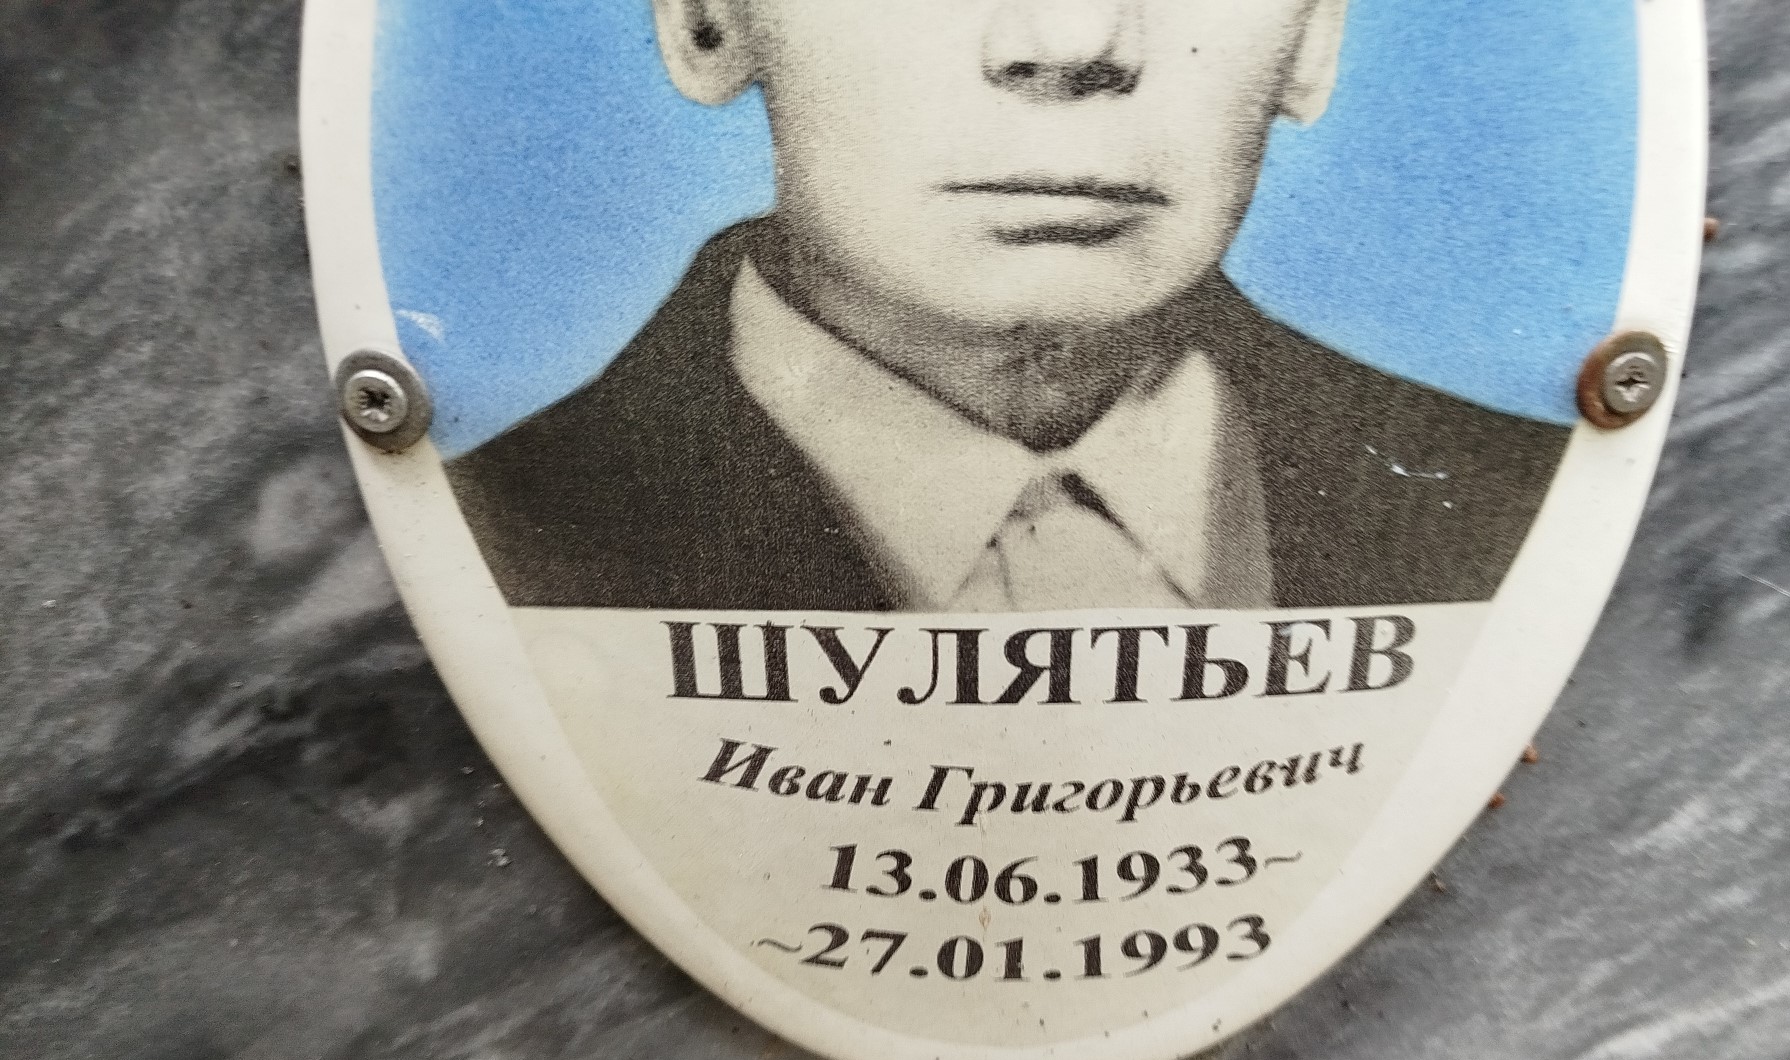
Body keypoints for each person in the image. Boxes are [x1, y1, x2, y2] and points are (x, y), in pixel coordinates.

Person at [447, 0, 1569, 612]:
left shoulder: (1524, 514)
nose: (1071, 41)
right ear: (706, 19)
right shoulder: (496, 544)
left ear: (1313, 37)